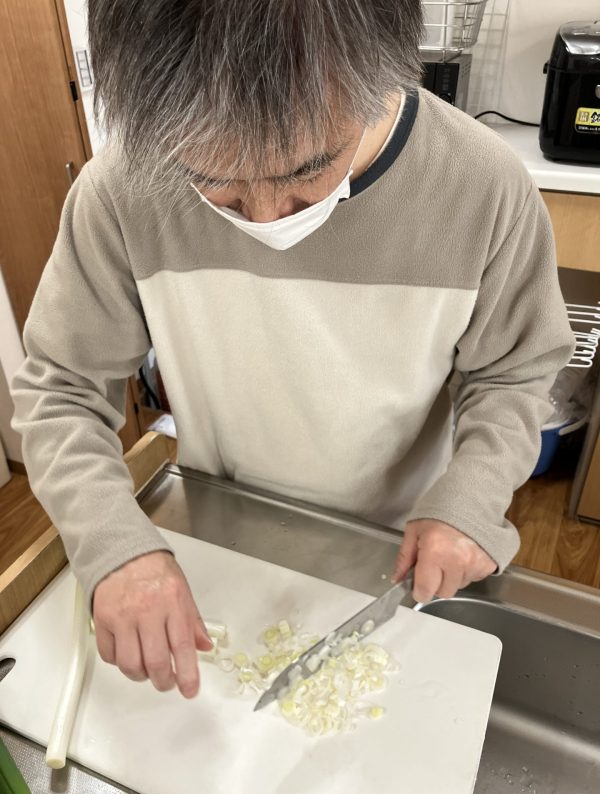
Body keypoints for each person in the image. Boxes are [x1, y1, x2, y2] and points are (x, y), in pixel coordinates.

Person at [11, 0, 573, 701]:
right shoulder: (125, 186)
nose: (267, 218)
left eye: (307, 171)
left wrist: (473, 495)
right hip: (220, 534)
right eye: (215, 183)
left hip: (401, 548)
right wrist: (110, 541)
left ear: (386, 71)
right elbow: (60, 388)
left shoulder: (482, 187)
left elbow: (514, 372)